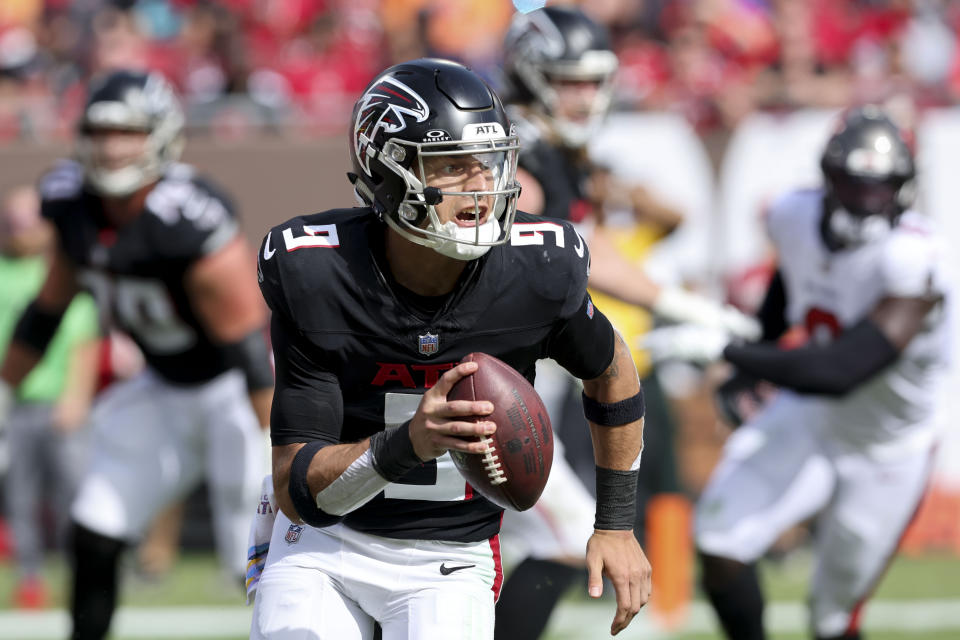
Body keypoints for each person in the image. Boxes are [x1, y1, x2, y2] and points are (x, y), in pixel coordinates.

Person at [249, 57, 650, 640]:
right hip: (322, 541)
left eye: (489, 166)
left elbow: (613, 373)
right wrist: (409, 443)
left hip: (452, 552)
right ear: (388, 174)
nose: (481, 188)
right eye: (452, 167)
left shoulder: (537, 266)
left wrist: (615, 523)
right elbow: (295, 489)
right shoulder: (319, 273)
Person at [495, 7, 758, 637]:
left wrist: (676, 302)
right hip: (477, 374)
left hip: (506, 377)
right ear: (533, 75)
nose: (586, 97)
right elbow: (559, 249)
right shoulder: (514, 153)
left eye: (593, 82)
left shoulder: (554, 149)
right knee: (551, 538)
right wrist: (679, 305)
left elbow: (579, 245)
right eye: (570, 81)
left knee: (485, 551)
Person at [644, 105, 951, 640]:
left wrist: (730, 354)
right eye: (853, 183)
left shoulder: (914, 257)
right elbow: (790, 289)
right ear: (828, 178)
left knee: (831, 617)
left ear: (904, 187)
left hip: (887, 443)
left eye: (881, 185)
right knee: (719, 541)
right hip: (810, 415)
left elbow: (840, 369)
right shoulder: (794, 215)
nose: (866, 198)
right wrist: (752, 354)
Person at [0, 69, 273, 640]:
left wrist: (276, 439)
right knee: (95, 524)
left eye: (127, 131)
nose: (112, 146)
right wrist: (5, 389)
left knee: (255, 559)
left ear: (162, 135)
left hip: (234, 394)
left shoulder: (188, 215)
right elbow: (48, 309)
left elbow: (248, 344)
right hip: (161, 388)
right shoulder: (70, 202)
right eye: (100, 133)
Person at [0, 185, 100, 609]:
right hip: (14, 407)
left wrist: (76, 396)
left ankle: (83, 578)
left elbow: (84, 337)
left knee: (74, 501)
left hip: (60, 405)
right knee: (19, 498)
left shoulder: (60, 270)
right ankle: (31, 580)